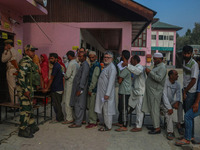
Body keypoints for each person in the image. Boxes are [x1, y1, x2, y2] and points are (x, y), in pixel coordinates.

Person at [175, 57, 200, 146]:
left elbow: (197, 87)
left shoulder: (195, 66)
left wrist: (196, 102)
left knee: (188, 116)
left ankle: (187, 138)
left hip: (192, 94)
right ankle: (190, 136)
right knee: (189, 116)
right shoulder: (186, 63)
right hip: (190, 93)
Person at [16, 45, 39, 138]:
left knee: (29, 108)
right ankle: (22, 129)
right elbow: (21, 77)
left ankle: (32, 125)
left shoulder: (30, 61)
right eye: (32, 51)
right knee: (25, 109)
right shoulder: (25, 62)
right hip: (24, 90)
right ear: (26, 51)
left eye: (34, 51)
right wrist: (25, 90)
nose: (34, 52)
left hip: (29, 89)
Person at [142, 52, 167, 134]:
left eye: (156, 59)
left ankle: (157, 128)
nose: (154, 60)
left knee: (155, 110)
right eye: (154, 59)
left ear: (160, 60)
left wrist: (150, 72)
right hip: (152, 91)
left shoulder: (162, 67)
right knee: (152, 109)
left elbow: (159, 79)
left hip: (155, 92)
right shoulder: (157, 67)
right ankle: (155, 125)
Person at [122, 55, 146, 132]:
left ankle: (138, 126)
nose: (130, 62)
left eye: (131, 60)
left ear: (135, 61)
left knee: (139, 110)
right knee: (129, 104)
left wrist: (127, 65)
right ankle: (128, 113)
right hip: (135, 92)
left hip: (140, 92)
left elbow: (137, 71)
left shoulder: (140, 67)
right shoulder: (135, 68)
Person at [95, 51, 117, 131]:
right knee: (104, 110)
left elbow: (111, 82)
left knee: (107, 110)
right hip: (103, 93)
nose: (106, 59)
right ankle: (105, 123)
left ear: (112, 58)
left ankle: (108, 126)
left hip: (107, 94)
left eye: (108, 57)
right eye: (105, 57)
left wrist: (107, 94)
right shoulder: (106, 67)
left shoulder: (112, 68)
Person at [161, 70, 184, 140]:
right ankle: (170, 132)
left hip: (171, 102)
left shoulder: (177, 84)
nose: (178, 76)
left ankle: (179, 124)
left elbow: (178, 95)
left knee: (180, 104)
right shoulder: (165, 82)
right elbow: (164, 96)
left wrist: (177, 102)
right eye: (176, 75)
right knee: (169, 114)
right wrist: (169, 108)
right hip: (162, 104)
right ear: (171, 76)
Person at [69, 52, 90, 128]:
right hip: (79, 88)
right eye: (78, 56)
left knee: (79, 105)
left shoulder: (85, 65)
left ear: (84, 57)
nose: (79, 58)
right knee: (80, 104)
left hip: (81, 89)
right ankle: (82, 120)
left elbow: (83, 77)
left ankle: (78, 123)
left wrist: (80, 88)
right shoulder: (83, 64)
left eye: (81, 56)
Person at [182, 45, 199, 140]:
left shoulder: (194, 64)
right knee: (187, 114)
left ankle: (190, 136)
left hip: (190, 92)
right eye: (185, 53)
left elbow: (193, 80)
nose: (186, 55)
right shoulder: (184, 61)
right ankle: (189, 134)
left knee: (188, 115)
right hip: (185, 90)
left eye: (188, 53)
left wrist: (185, 91)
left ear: (191, 54)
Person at [43, 53, 64, 123]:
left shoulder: (56, 66)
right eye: (50, 58)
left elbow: (51, 78)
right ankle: (59, 117)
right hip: (58, 87)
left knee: (56, 104)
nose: (50, 60)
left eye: (52, 58)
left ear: (56, 59)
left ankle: (59, 118)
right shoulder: (57, 65)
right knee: (57, 104)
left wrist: (47, 88)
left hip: (57, 88)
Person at [115, 50, 131, 132]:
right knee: (120, 107)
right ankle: (120, 122)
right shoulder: (125, 67)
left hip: (125, 91)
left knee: (124, 108)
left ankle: (124, 125)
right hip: (122, 90)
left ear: (123, 56)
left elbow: (120, 80)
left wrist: (118, 77)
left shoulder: (125, 68)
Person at [62, 51, 79, 124]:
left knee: (67, 101)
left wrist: (63, 74)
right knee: (72, 101)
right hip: (74, 84)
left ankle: (69, 118)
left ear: (69, 56)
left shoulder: (71, 63)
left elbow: (67, 75)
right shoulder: (77, 63)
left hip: (69, 84)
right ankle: (73, 117)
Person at [1, 39, 20, 104]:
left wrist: (5, 51)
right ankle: (17, 102)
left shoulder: (10, 52)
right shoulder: (16, 51)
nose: (5, 46)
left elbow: (3, 60)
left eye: (6, 45)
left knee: (12, 88)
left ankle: (14, 104)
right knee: (16, 87)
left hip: (11, 70)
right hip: (16, 70)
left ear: (8, 45)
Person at [85, 51, 101, 129]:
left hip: (94, 89)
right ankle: (96, 119)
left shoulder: (96, 66)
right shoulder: (93, 65)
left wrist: (90, 89)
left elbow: (94, 79)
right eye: (90, 57)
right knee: (93, 105)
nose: (91, 59)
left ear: (95, 57)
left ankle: (92, 121)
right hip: (93, 89)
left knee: (91, 106)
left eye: (92, 57)